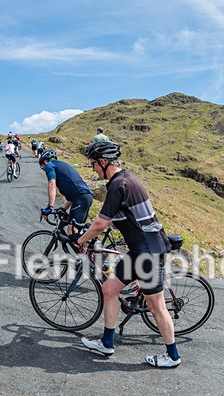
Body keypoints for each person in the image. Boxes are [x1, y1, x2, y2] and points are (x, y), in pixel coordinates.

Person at [73, 141, 180, 368]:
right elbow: (118, 217)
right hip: (138, 251)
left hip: (147, 254)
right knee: (109, 289)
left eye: (93, 164)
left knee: (156, 306)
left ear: (103, 162)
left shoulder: (117, 185)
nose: (92, 169)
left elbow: (101, 223)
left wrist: (80, 239)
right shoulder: (126, 179)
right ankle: (106, 342)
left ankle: (172, 356)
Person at [38, 149, 93, 230]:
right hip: (85, 196)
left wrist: (50, 207)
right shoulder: (63, 165)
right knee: (78, 232)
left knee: (71, 231)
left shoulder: (49, 165)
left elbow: (52, 184)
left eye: (42, 166)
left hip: (81, 197)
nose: (44, 169)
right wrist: (63, 209)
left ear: (45, 161)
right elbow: (71, 198)